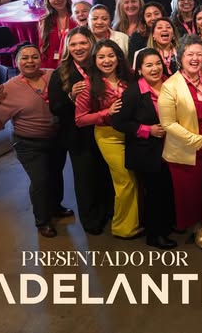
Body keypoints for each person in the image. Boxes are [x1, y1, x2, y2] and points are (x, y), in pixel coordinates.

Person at [0, 44, 71, 238]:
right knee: (40, 180)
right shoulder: (9, 88)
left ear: (41, 59)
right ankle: (42, 220)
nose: (30, 61)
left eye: (34, 57)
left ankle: (56, 206)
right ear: (17, 62)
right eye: (25, 58)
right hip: (28, 144)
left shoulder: (53, 75)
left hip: (56, 139)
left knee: (55, 174)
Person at [158, 35, 202, 249]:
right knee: (190, 192)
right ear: (180, 57)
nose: (195, 58)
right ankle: (197, 227)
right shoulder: (170, 86)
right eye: (190, 54)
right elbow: (168, 124)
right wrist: (198, 141)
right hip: (186, 147)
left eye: (199, 54)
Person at [48, 27, 113, 235]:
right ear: (68, 47)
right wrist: (71, 99)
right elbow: (55, 108)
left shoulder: (100, 66)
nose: (78, 48)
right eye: (73, 44)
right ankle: (90, 220)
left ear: (91, 43)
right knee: (85, 178)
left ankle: (107, 211)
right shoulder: (62, 73)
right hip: (78, 136)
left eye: (83, 43)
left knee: (104, 174)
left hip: (104, 131)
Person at [74, 40, 142, 239]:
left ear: (118, 57)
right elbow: (79, 119)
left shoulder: (128, 78)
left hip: (132, 134)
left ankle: (135, 221)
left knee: (135, 179)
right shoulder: (88, 85)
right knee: (125, 180)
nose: (107, 60)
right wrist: (106, 112)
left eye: (111, 55)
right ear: (94, 60)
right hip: (108, 136)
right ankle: (123, 227)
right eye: (101, 57)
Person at [112, 48, 178, 250]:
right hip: (145, 151)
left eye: (158, 63)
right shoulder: (133, 93)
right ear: (139, 69)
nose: (155, 68)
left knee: (167, 190)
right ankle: (154, 235)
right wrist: (147, 130)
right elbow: (119, 122)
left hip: (170, 149)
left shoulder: (170, 84)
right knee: (153, 194)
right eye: (148, 65)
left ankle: (166, 226)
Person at [38, 0, 77, 69]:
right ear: (48, 2)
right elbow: (43, 48)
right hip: (53, 65)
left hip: (75, 62)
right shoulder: (44, 21)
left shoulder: (76, 16)